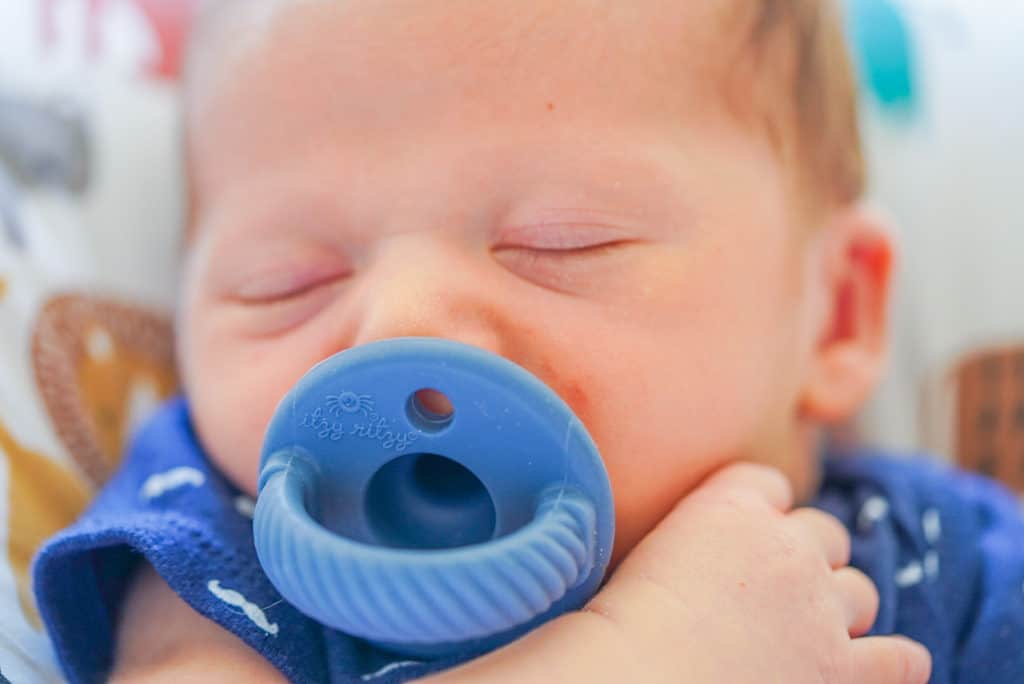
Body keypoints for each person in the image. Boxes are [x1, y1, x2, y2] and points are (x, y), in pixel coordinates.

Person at [32, 1, 1024, 682]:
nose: (403, 323)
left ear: (836, 314)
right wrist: (629, 660)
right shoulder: (213, 549)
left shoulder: (949, 568)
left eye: (564, 242)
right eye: (287, 281)